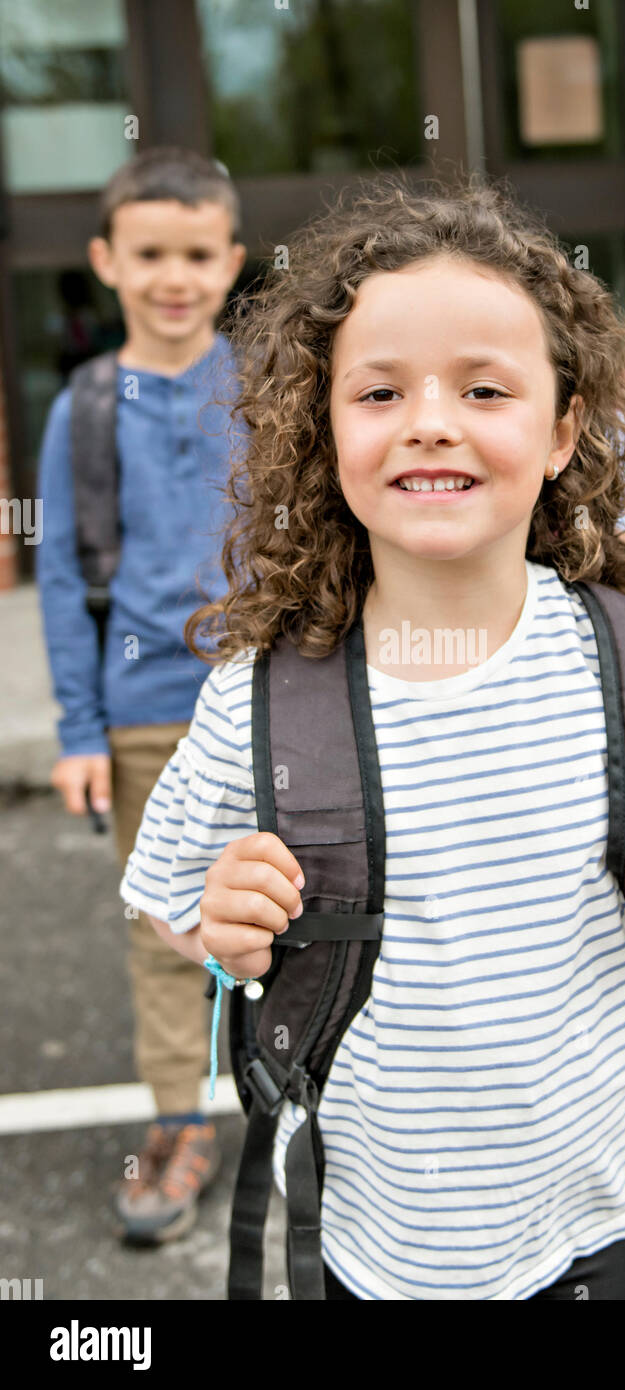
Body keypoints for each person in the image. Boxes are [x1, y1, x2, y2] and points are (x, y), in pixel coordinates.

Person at [119, 175, 625, 1300]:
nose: (430, 418)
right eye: (379, 393)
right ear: (322, 425)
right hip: (385, 1248)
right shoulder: (260, 698)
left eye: (483, 388)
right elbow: (163, 892)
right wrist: (222, 925)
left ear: (562, 425)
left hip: (610, 1213)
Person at [35, 146, 247, 1243]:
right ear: (107, 261)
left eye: (198, 254)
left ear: (232, 262)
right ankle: (181, 1118)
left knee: (302, 908)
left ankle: (334, 1099)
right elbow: (66, 580)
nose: (176, 276)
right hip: (146, 714)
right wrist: (78, 729)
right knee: (166, 923)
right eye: (151, 253)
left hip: (268, 705)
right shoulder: (82, 410)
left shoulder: (266, 391)